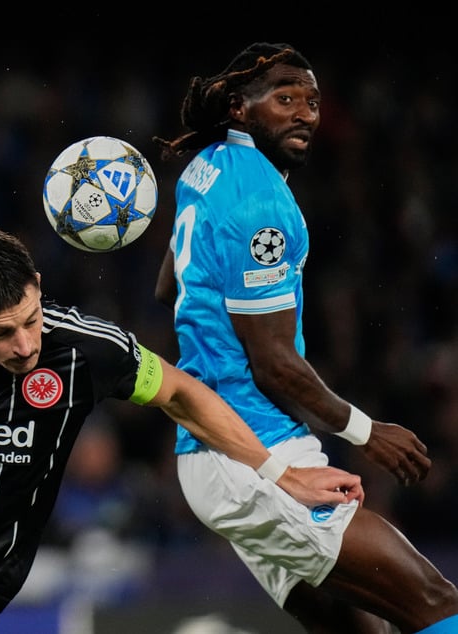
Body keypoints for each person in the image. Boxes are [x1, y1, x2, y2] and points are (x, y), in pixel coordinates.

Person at [0, 226, 365, 634]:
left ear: (38, 287)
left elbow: (182, 394)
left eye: (31, 319)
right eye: (2, 333)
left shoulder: (87, 348)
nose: (25, 345)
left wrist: (282, 474)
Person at [151, 42, 458, 633]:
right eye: (285, 98)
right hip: (253, 454)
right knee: (435, 600)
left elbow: (169, 288)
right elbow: (273, 364)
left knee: (358, 629)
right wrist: (368, 433)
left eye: (312, 102)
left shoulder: (207, 164)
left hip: (220, 449)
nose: (304, 114)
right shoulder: (263, 203)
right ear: (239, 108)